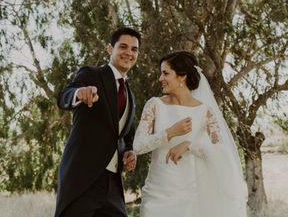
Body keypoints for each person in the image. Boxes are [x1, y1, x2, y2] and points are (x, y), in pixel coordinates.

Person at [133, 50, 247, 217]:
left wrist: (189, 146)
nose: (160, 79)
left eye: (165, 73)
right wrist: (169, 133)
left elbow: (223, 154)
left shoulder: (205, 111)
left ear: (182, 76)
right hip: (157, 193)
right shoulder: (155, 105)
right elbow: (138, 146)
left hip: (190, 195)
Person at [54, 27, 141, 217]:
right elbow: (64, 97)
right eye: (123, 47)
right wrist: (79, 93)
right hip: (82, 179)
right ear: (110, 49)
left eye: (134, 49)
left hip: (112, 185)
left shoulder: (130, 95)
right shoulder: (91, 74)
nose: (129, 53)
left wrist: (129, 151)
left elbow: (127, 135)